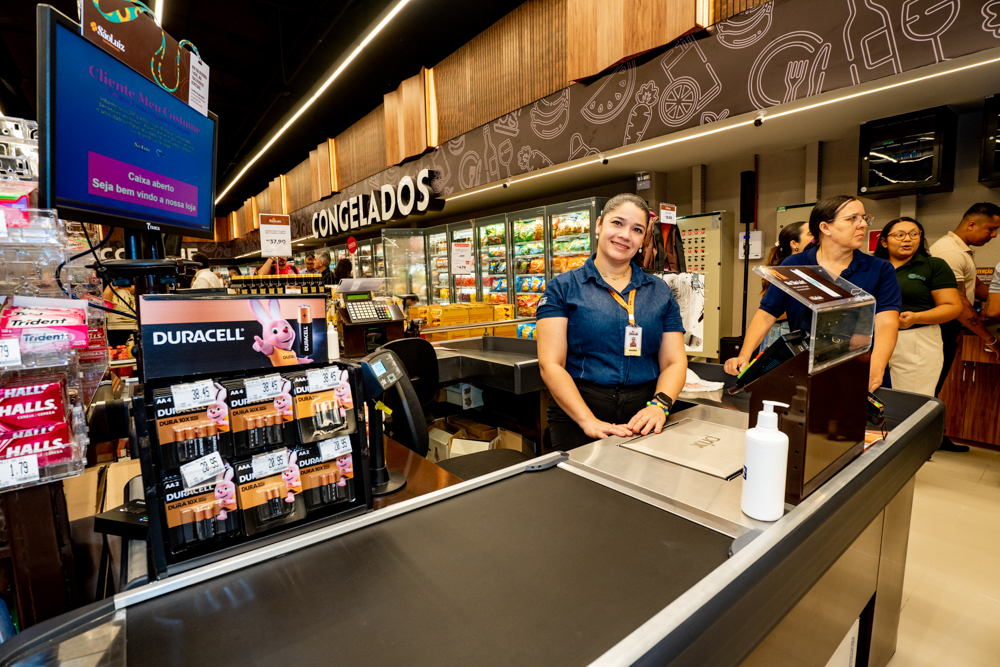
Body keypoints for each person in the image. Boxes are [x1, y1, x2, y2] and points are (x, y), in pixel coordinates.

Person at [536, 193, 688, 450]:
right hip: (577, 414)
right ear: (599, 225)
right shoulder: (563, 288)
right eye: (617, 223)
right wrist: (588, 421)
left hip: (644, 416)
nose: (625, 235)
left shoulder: (660, 291)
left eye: (637, 229)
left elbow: (674, 361)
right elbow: (550, 364)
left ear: (644, 239)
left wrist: (659, 406)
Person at [724, 195, 901, 392]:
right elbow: (766, 314)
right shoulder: (795, 264)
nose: (862, 225)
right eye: (853, 218)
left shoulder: (880, 269)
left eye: (864, 218)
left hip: (860, 367)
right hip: (805, 368)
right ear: (825, 227)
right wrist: (744, 356)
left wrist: (876, 368)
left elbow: (886, 323)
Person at [928, 203, 1000, 452]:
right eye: (991, 229)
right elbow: (959, 303)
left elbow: (977, 287)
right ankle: (929, 439)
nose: (994, 235)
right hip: (941, 329)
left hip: (949, 328)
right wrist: (989, 339)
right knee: (932, 386)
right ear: (971, 224)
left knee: (935, 385)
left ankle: (934, 436)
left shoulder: (962, 251)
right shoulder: (949, 252)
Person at [874, 217, 961, 396]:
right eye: (900, 235)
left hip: (915, 339)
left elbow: (952, 306)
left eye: (914, 234)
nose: (908, 239)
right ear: (884, 241)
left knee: (909, 400)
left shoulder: (933, 265)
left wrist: (916, 318)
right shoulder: (873, 267)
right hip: (874, 338)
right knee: (871, 399)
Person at [758, 221, 813, 350]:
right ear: (794, 244)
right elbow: (772, 311)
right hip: (782, 330)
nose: (815, 238)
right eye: (810, 234)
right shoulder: (785, 271)